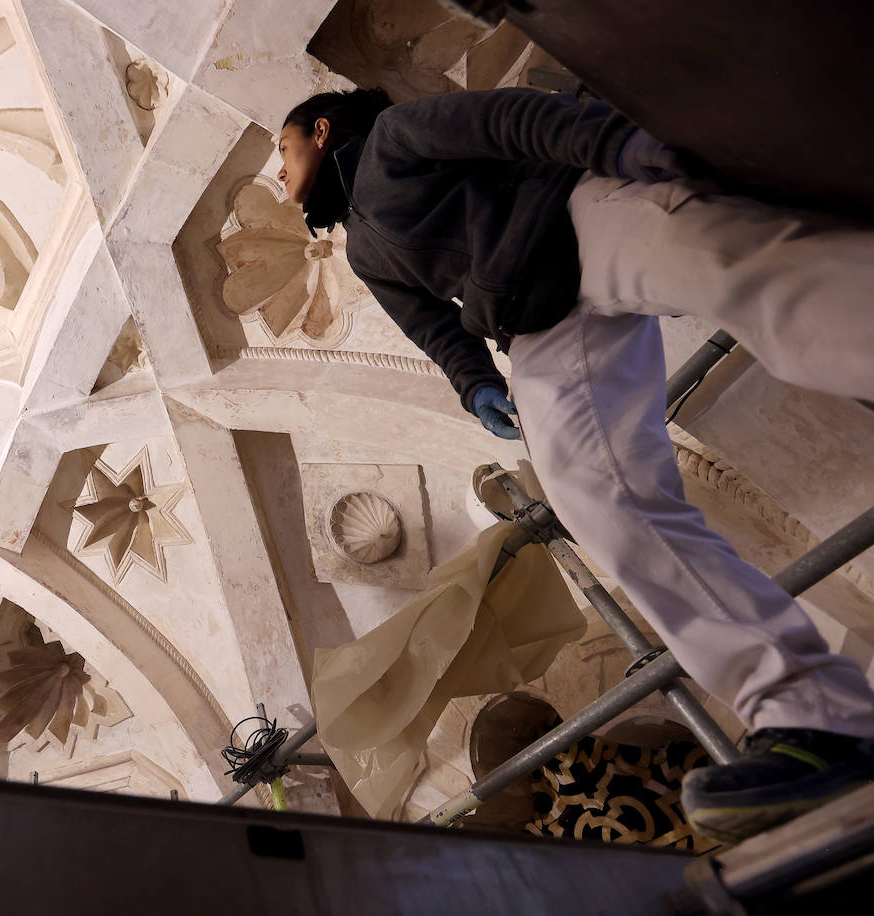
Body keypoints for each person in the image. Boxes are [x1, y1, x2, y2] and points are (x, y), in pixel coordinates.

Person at [276, 85, 874, 842]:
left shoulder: (397, 136)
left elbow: (516, 121)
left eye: (283, 150)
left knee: (755, 278)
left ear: (322, 131)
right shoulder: (364, 250)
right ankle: (812, 717)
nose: (278, 171)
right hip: (533, 324)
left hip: (580, 213)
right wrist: (478, 388)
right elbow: (432, 325)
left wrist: (628, 149)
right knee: (593, 497)